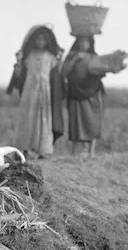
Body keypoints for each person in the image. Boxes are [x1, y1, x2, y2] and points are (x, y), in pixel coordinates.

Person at [7, 25, 65, 160]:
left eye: (43, 40)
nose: (40, 42)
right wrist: (18, 60)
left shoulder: (51, 58)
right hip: (30, 91)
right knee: (28, 117)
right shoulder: (29, 57)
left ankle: (42, 150)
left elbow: (58, 74)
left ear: (46, 42)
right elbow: (20, 73)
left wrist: (61, 58)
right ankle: (25, 149)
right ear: (34, 41)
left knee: (43, 119)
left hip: (44, 92)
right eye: (38, 40)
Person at [61, 35, 107, 158]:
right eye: (81, 41)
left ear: (90, 43)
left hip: (92, 92)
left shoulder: (95, 57)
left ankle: (91, 152)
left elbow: (102, 72)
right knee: (76, 120)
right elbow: (64, 72)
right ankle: (74, 152)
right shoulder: (71, 56)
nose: (83, 44)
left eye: (86, 41)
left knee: (93, 121)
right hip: (75, 92)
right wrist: (75, 59)